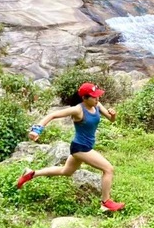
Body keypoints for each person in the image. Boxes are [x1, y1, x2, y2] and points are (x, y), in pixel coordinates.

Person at [16, 82, 125, 212]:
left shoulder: (97, 105)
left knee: (66, 171)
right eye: (94, 97)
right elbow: (52, 115)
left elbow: (111, 119)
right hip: (81, 148)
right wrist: (37, 130)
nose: (97, 99)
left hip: (83, 146)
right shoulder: (77, 110)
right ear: (84, 98)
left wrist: (113, 115)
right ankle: (105, 202)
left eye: (98, 96)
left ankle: (31, 174)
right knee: (108, 169)